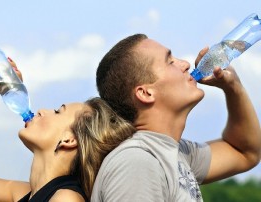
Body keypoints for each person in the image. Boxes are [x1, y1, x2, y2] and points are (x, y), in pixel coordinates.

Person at [91, 33, 261, 201]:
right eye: (170, 61)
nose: (186, 64)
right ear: (146, 93)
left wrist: (233, 86)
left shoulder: (176, 153)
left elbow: (246, 152)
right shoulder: (137, 163)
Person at [0, 58, 135, 202]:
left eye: (58, 111)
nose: (42, 111)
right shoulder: (24, 195)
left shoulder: (66, 199)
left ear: (69, 139)